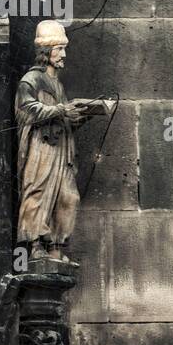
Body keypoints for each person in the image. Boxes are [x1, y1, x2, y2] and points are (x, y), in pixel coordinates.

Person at [16, 19, 113, 264]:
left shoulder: (57, 84)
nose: (64, 55)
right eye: (59, 49)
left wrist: (84, 115)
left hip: (62, 149)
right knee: (38, 191)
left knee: (69, 197)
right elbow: (27, 110)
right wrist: (62, 109)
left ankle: (57, 246)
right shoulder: (31, 80)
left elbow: (63, 116)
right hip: (42, 147)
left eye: (63, 49)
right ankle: (36, 245)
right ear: (46, 51)